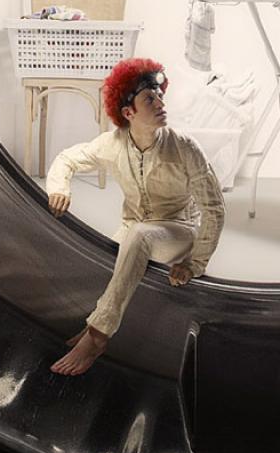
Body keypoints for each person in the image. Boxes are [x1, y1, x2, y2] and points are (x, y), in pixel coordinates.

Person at [43, 57, 225, 375]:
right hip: (134, 228)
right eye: (149, 99)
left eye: (160, 96)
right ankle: (92, 325)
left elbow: (214, 209)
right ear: (128, 113)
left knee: (140, 235)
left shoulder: (185, 147)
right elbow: (67, 158)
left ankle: (98, 335)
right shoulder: (113, 144)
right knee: (104, 259)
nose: (161, 103)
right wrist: (59, 188)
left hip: (178, 229)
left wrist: (195, 263)